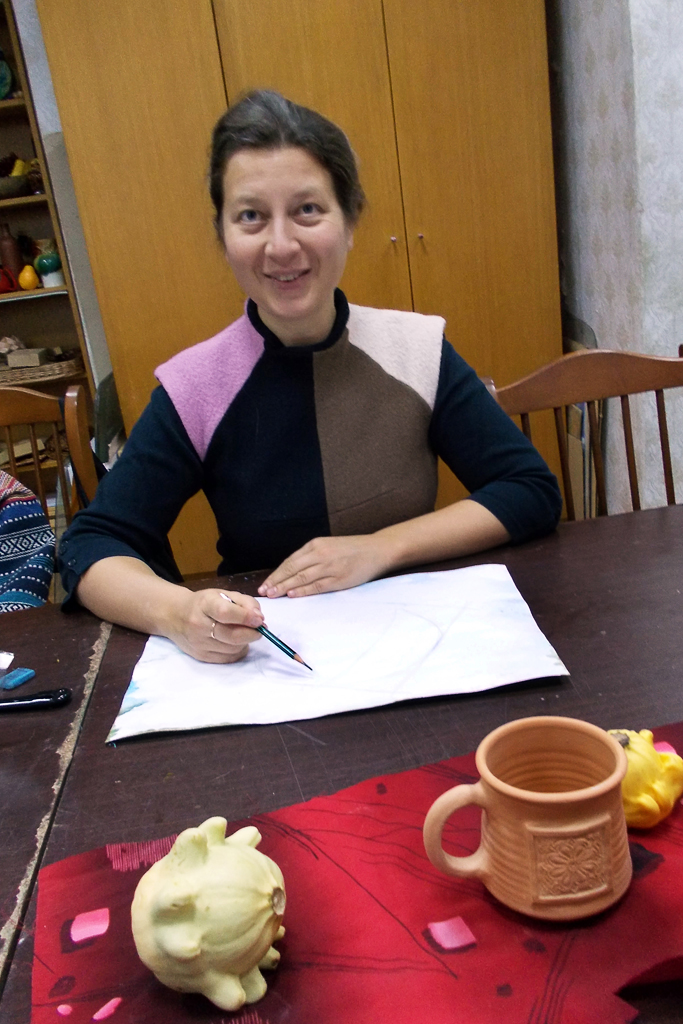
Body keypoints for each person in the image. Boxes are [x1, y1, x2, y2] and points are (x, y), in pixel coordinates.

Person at [58, 90, 561, 665]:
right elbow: (90, 545)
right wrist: (178, 612)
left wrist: (380, 548)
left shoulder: (416, 349)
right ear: (223, 236)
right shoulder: (196, 385)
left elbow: (529, 489)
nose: (281, 245)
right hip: (274, 667)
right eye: (251, 216)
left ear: (350, 222)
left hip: (426, 650)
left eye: (307, 210)